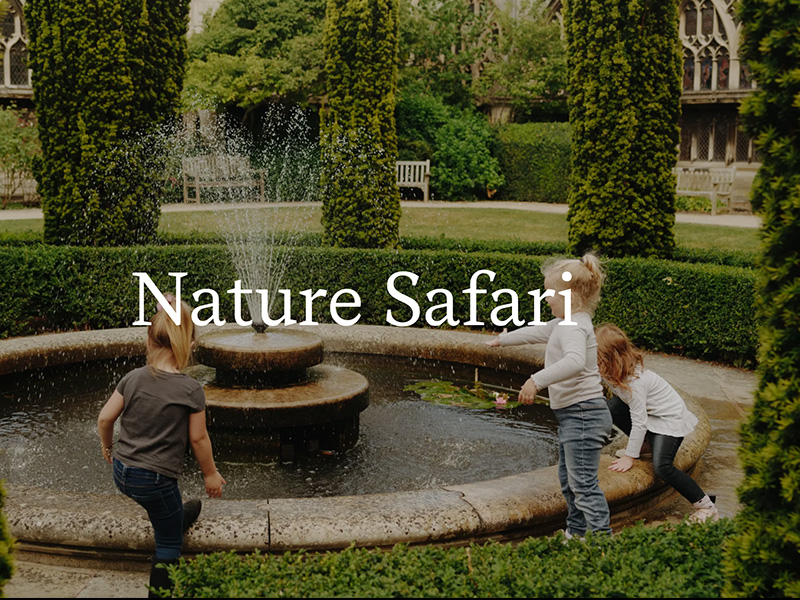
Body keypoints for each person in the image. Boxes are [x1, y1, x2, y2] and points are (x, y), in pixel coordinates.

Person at [98, 298, 226, 597]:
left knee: (166, 509)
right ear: (189, 344)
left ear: (149, 339)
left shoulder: (132, 378)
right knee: (169, 544)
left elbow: (105, 417)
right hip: (154, 481)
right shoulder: (190, 389)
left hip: (122, 473)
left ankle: (174, 514)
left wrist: (107, 446)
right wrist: (210, 474)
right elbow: (198, 438)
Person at [486, 254, 612, 538]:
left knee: (583, 484)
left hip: (584, 414)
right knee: (570, 482)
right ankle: (577, 533)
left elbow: (575, 361)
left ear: (571, 297)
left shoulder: (573, 327)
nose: (546, 298)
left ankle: (603, 543)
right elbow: (538, 332)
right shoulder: (565, 323)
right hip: (575, 415)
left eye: (550, 293)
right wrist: (503, 340)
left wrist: (535, 380)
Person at [595, 323, 719, 523]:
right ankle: (646, 445)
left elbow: (639, 421)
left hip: (670, 421)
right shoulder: (612, 372)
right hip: (653, 417)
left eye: (598, 360)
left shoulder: (636, 383)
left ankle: (706, 506)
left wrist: (629, 457)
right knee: (613, 406)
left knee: (662, 467)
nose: (595, 364)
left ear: (613, 359)